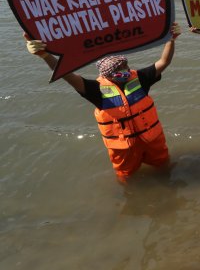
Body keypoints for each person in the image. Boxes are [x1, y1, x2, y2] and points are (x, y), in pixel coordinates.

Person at [25, 23, 181, 181]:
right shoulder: (96, 90)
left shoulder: (140, 78)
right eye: (118, 70)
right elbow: (67, 76)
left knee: (164, 167)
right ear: (107, 75)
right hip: (123, 148)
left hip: (151, 139)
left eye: (125, 66)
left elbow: (164, 62)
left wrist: (171, 39)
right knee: (126, 178)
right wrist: (45, 55)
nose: (124, 71)